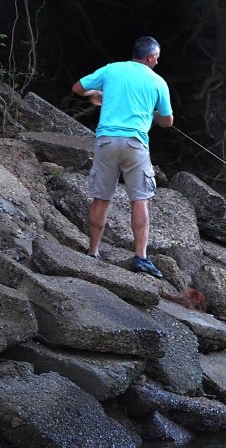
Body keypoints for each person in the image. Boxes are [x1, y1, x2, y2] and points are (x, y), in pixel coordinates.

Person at [72, 36, 173, 278]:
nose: (157, 63)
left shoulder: (111, 69)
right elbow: (168, 122)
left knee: (101, 197)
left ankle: (93, 252)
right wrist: (156, 115)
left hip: (106, 140)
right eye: (156, 58)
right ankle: (141, 257)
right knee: (140, 200)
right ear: (149, 57)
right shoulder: (158, 81)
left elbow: (78, 88)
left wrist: (96, 93)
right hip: (136, 144)